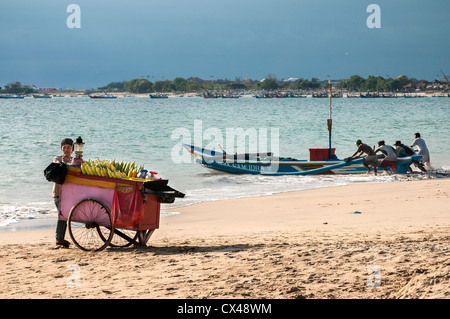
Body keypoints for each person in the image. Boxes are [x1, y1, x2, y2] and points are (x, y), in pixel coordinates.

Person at [53, 138, 73, 248]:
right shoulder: (57, 159)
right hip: (58, 192)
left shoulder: (74, 160)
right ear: (61, 149)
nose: (66, 149)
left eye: (69, 147)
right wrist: (64, 163)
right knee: (62, 214)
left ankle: (60, 239)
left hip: (69, 194)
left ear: (73, 149)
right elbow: (56, 166)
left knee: (65, 215)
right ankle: (59, 239)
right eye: (64, 147)